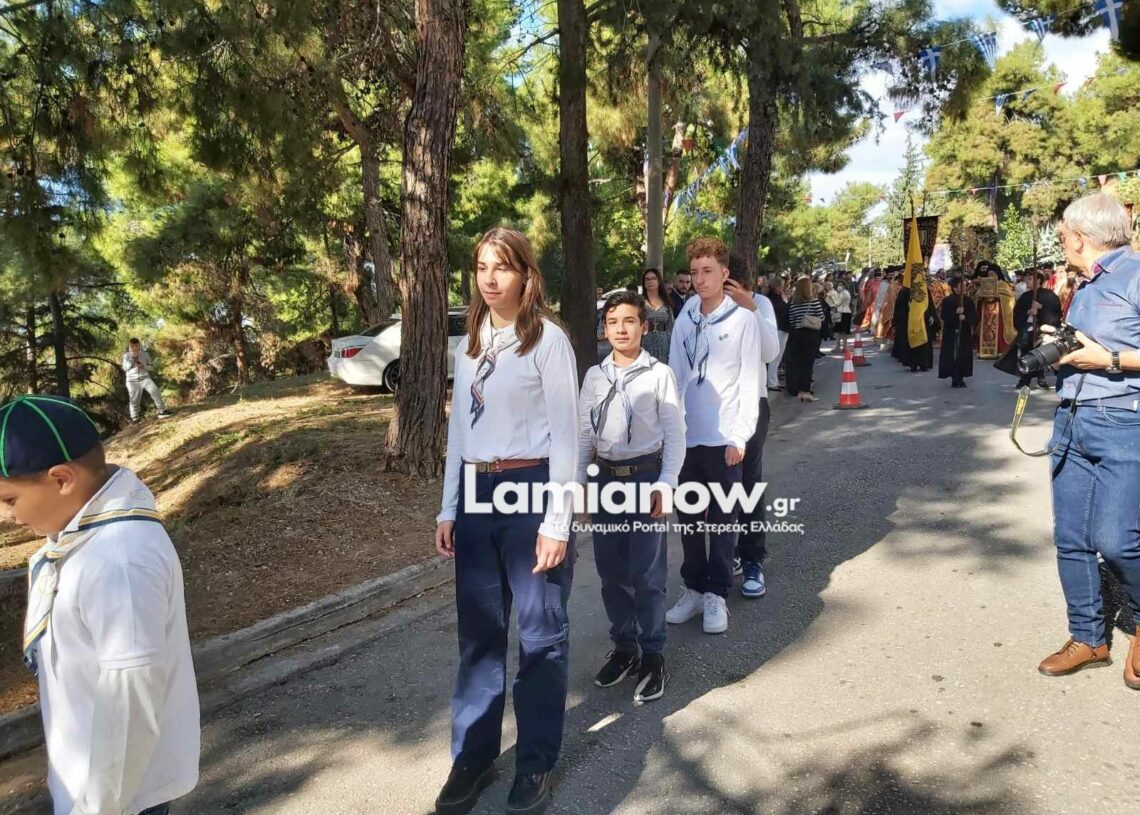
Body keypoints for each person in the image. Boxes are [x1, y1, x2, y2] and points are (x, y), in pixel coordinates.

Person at [434, 227, 579, 814]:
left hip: (530, 488)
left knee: (540, 634)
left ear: (526, 274)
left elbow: (567, 437)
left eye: (502, 267)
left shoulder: (547, 340)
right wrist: (449, 506)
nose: (490, 279)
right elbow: (458, 432)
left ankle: (535, 762)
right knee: (479, 635)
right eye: (481, 267)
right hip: (476, 492)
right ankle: (473, 756)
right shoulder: (470, 343)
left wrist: (557, 521)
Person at [0, 395, 199, 815]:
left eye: (10, 500)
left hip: (119, 798)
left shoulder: (118, 560)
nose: (10, 517)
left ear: (61, 479)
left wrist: (96, 808)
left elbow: (130, 703)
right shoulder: (79, 537)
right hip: (91, 781)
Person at [1035, 193, 1140, 689]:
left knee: (1117, 541)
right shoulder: (1087, 283)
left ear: (1080, 236)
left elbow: (1109, 354)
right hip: (1071, 417)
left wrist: (1110, 361)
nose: (1062, 243)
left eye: (1063, 235)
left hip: (1123, 423)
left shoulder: (1135, 274)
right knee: (1071, 539)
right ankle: (1088, 637)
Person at [578, 291, 685, 703]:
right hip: (606, 481)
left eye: (628, 321)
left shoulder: (659, 375)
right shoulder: (595, 376)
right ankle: (625, 647)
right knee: (611, 572)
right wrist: (578, 485)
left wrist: (667, 483)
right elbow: (584, 434)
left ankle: (653, 654)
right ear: (604, 329)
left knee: (647, 573)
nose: (620, 329)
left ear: (644, 326)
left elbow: (675, 433)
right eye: (612, 322)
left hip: (645, 477)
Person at [666, 236, 761, 635]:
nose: (700, 279)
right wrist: (670, 428)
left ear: (725, 274)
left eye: (708, 271)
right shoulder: (686, 315)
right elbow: (674, 370)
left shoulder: (742, 319)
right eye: (694, 272)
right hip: (688, 436)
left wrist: (740, 436)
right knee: (688, 520)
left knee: (723, 520)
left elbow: (750, 379)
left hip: (723, 436)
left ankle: (717, 593)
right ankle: (693, 587)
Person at [723, 261, 780, 599]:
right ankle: (729, 551)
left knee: (748, 483)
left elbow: (770, 352)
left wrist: (751, 308)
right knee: (719, 487)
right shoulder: (702, 309)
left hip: (752, 405)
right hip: (717, 411)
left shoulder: (761, 305)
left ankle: (753, 559)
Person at [1013, 270, 1063, 389]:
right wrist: (1028, 312)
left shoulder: (1049, 296)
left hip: (1043, 331)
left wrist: (1041, 308)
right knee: (1026, 355)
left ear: (1038, 280)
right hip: (1028, 330)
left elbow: (1055, 312)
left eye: (1030, 279)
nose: (1027, 281)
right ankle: (1024, 379)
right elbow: (1017, 312)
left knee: (1043, 354)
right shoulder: (1025, 296)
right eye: (1026, 279)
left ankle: (1042, 377)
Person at [784, 277, 824, 402]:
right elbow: (821, 317)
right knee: (808, 363)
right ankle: (805, 391)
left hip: (797, 334)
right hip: (810, 334)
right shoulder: (814, 302)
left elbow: (791, 320)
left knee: (798, 362)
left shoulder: (793, 303)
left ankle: (797, 389)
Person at [938, 277, 976, 388]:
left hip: (964, 333)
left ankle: (961, 377)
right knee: (952, 355)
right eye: (961, 286)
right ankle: (955, 377)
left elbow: (974, 316)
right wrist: (955, 313)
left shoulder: (968, 301)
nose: (965, 288)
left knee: (963, 355)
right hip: (951, 333)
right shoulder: (947, 301)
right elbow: (944, 316)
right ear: (955, 288)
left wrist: (965, 317)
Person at [122, 339, 172, 423]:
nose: (134, 348)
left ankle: (162, 411)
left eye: (136, 346)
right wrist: (132, 359)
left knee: (155, 391)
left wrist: (143, 366)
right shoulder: (126, 355)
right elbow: (125, 368)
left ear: (139, 345)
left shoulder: (145, 354)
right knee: (134, 399)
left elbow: (151, 367)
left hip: (145, 378)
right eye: (132, 346)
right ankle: (135, 418)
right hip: (132, 381)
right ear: (130, 346)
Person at [640, 268, 675, 363]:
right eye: (647, 279)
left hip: (664, 342)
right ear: (644, 283)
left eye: (653, 278)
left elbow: (671, 326)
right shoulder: (639, 303)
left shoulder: (666, 302)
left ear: (658, 281)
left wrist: (672, 345)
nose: (650, 281)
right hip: (645, 341)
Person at [766, 276, 790, 391]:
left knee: (778, 357)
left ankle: (774, 380)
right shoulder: (773, 298)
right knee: (776, 356)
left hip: (781, 327)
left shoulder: (777, 297)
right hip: (778, 327)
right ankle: (771, 381)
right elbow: (783, 310)